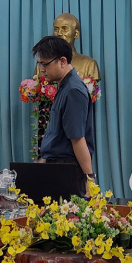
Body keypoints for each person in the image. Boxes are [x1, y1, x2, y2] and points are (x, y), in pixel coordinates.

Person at [32, 36, 95, 196]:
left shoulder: (73, 90)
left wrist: (90, 178)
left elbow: (77, 138)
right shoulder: (64, 86)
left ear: (62, 61)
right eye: (40, 64)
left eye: (45, 64)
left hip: (66, 169)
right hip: (56, 166)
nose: (42, 69)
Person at [34, 13, 101, 80]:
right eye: (56, 29)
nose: (59, 33)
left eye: (64, 29)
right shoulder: (43, 64)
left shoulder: (89, 64)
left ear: (76, 34)